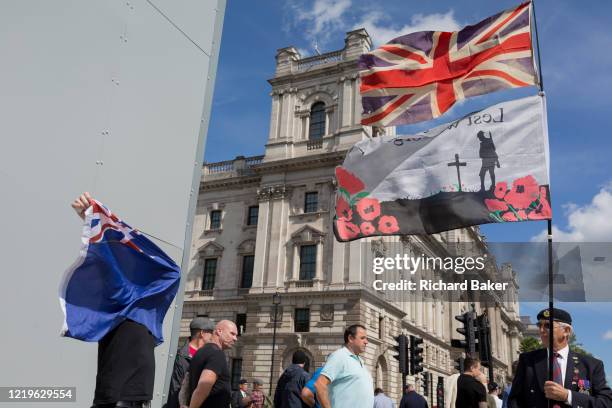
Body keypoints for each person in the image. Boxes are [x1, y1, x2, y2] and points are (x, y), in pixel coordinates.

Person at [72, 193, 157, 408]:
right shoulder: (122, 299)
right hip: (116, 396)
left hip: (133, 396)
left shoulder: (149, 303)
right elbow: (107, 259)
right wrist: (89, 218)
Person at [509, 308, 612, 408]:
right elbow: (515, 400)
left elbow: (606, 402)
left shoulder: (591, 365)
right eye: (539, 325)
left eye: (548, 326)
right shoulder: (528, 361)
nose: (541, 330)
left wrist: (567, 396)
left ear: (566, 331)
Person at [314, 324, 374, 408]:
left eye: (366, 338)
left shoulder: (361, 361)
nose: (366, 342)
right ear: (350, 338)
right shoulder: (339, 356)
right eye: (362, 338)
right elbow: (320, 384)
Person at [165, 317, 215, 408]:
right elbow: (175, 387)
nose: (213, 336)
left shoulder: (208, 355)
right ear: (202, 333)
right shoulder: (182, 357)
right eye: (211, 332)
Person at [188, 320, 238, 408]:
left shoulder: (200, 351)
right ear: (219, 331)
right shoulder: (217, 354)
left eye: (236, 335)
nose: (235, 338)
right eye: (232, 333)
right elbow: (203, 388)